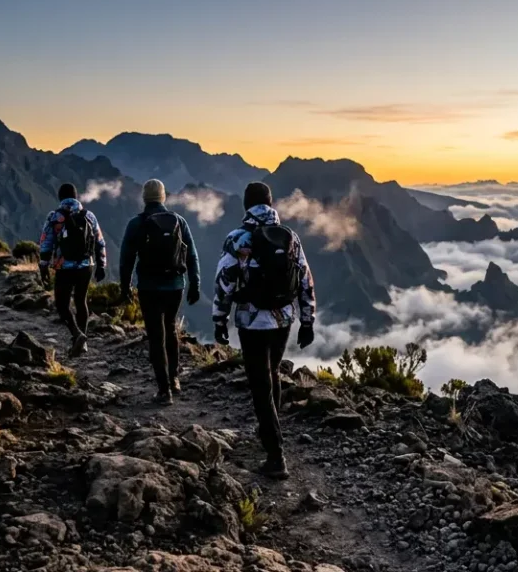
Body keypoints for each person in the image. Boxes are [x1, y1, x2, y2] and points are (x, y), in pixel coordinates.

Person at [213, 181, 316, 480]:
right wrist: (307, 320)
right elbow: (305, 279)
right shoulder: (290, 237)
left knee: (260, 384)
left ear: (246, 205)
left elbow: (224, 282)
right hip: (283, 319)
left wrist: (219, 319)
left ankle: (275, 455)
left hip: (252, 321)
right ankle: (271, 429)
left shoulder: (237, 238)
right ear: (271, 204)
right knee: (271, 373)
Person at [119, 179, 201, 405]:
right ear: (163, 197)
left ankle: (164, 390)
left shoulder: (136, 223)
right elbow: (191, 255)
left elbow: (126, 259)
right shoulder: (179, 221)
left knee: (156, 336)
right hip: (175, 286)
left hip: (149, 287)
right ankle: (174, 379)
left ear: (144, 198)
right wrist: (194, 283)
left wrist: (125, 287)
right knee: (171, 328)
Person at [38, 182, 107, 357]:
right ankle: (83, 343)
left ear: (60, 197)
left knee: (62, 305)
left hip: (64, 267)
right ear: (76, 197)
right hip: (86, 266)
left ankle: (77, 334)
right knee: (81, 301)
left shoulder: (55, 216)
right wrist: (101, 265)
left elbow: (46, 243)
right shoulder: (89, 215)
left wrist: (44, 265)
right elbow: (100, 242)